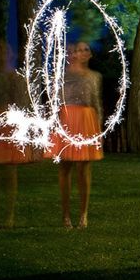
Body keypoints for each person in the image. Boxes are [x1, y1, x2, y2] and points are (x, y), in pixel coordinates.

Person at [0, 40, 39, 229]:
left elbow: (22, 102)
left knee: (11, 170)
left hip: (10, 122)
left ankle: (9, 216)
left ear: (11, 53)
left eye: (5, 48)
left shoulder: (16, 77)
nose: (2, 51)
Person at [50, 41, 103, 229]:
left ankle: (83, 214)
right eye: (77, 49)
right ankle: (65, 216)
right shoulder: (62, 75)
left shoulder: (95, 77)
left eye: (85, 49)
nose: (80, 52)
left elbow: (96, 102)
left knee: (84, 169)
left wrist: (99, 129)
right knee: (65, 168)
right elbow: (55, 100)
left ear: (89, 55)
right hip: (66, 119)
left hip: (86, 119)